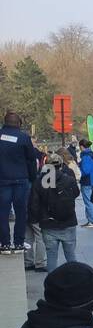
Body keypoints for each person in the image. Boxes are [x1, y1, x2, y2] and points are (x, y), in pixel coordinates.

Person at [0, 110, 38, 256]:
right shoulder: (24, 138)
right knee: (21, 212)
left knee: (3, 213)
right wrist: (33, 178)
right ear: (19, 124)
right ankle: (18, 243)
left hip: (2, 180)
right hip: (20, 180)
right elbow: (31, 160)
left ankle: (4, 244)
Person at [34, 153, 80, 272]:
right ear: (60, 165)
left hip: (48, 222)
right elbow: (76, 193)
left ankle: (52, 282)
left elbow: (35, 202)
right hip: (68, 221)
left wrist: (36, 219)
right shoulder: (68, 178)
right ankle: (75, 280)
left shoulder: (41, 181)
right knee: (70, 255)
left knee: (51, 256)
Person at [78, 140, 93, 228]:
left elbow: (86, 171)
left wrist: (79, 171)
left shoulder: (85, 156)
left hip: (87, 181)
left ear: (81, 146)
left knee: (88, 201)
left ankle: (92, 220)